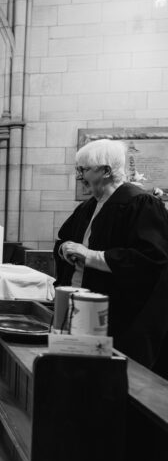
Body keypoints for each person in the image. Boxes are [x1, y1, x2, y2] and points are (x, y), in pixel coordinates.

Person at [54, 139, 168, 374]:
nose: (79, 177)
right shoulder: (88, 207)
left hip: (119, 317)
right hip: (78, 308)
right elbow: (64, 238)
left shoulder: (140, 204)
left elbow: (150, 259)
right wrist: (64, 247)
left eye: (83, 169)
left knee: (105, 378)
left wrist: (90, 256)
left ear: (105, 171)